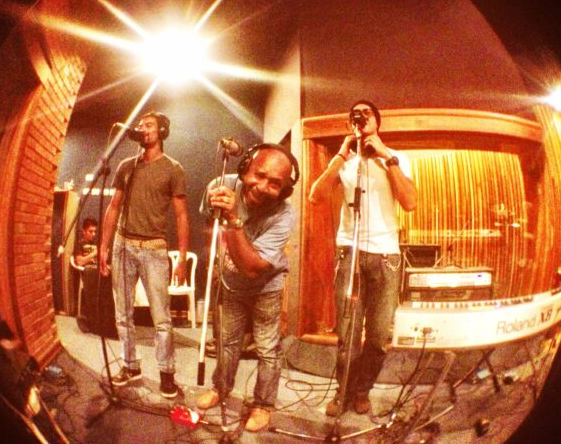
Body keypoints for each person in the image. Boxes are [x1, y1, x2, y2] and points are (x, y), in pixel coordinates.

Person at [308, 100, 417, 416]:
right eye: (355, 114)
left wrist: (386, 156)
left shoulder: (397, 158)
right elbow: (316, 196)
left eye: (367, 112)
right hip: (350, 252)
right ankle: (343, 391)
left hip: (386, 256)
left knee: (379, 336)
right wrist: (341, 154)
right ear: (350, 124)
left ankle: (362, 389)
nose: (361, 116)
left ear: (377, 122)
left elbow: (410, 202)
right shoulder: (345, 163)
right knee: (348, 334)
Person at [196, 143, 299, 432]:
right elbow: (209, 224)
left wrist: (233, 219)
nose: (263, 187)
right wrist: (216, 262)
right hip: (230, 283)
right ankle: (220, 389)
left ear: (285, 191)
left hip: (265, 287)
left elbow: (252, 268)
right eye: (259, 175)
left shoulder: (284, 215)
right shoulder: (220, 186)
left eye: (274, 184)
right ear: (245, 169)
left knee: (267, 348)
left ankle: (263, 404)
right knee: (227, 342)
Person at [99, 111, 189, 399]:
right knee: (123, 314)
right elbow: (114, 206)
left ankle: (167, 374)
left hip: (154, 249)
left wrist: (182, 258)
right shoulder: (126, 166)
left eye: (149, 125)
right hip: (123, 245)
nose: (142, 128)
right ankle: (130, 365)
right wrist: (104, 246)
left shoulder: (173, 169)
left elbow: (181, 215)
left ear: (162, 131)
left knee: (161, 319)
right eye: (140, 125)